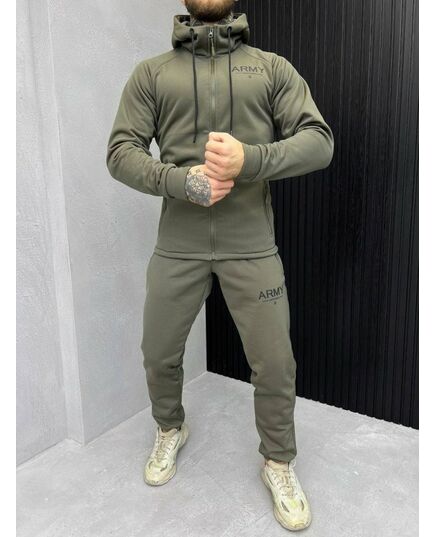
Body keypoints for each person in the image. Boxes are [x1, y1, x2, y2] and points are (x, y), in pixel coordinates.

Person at [106, 0, 334, 531]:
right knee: (158, 353)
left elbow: (319, 141)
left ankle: (278, 461)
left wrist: (250, 159)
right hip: (178, 245)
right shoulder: (152, 74)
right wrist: (179, 180)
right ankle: (170, 427)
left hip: (250, 244)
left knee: (274, 364)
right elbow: (120, 151)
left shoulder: (271, 69)